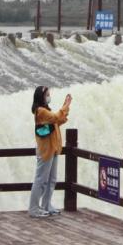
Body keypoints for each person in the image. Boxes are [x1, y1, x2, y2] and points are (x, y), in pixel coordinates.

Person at [28, 86, 72, 218]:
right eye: (47, 95)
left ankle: (46, 205)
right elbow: (56, 117)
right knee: (41, 179)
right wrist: (66, 106)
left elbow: (59, 120)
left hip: (53, 148)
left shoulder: (46, 111)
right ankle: (34, 208)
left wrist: (64, 109)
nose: (49, 97)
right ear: (41, 97)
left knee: (51, 179)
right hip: (46, 150)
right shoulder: (40, 111)